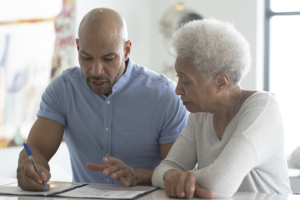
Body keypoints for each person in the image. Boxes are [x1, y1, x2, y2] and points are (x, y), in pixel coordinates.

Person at [17, 8, 188, 191]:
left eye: (108, 59)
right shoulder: (63, 90)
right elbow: (36, 150)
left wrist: (137, 175)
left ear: (127, 50)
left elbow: (179, 173)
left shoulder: (164, 96)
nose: (96, 71)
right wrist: (30, 168)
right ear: (77, 47)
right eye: (86, 57)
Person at [152, 18, 292, 199]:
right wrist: (172, 176)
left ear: (220, 82)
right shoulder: (200, 114)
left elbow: (219, 183)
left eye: (185, 81)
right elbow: (162, 169)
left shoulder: (263, 108)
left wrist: (175, 178)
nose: (178, 90)